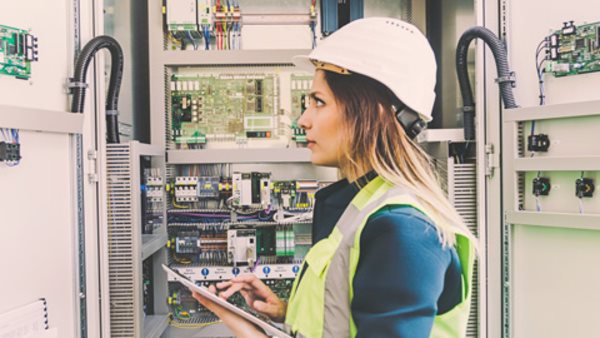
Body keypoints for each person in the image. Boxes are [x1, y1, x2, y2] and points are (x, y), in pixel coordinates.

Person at [192, 17, 476, 338]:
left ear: (374, 114)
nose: (303, 120)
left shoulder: (403, 229)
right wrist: (288, 312)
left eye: (319, 101)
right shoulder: (365, 205)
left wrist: (249, 332)